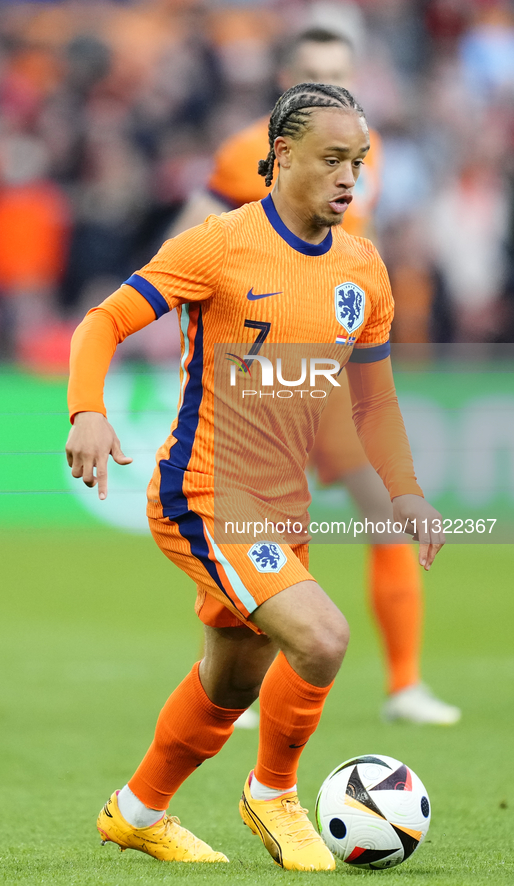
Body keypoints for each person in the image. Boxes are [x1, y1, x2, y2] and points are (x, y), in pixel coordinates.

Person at [66, 82, 444, 870]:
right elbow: (102, 321)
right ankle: (273, 794)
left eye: (361, 163)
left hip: (281, 505)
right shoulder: (218, 246)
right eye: (333, 160)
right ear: (280, 160)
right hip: (204, 494)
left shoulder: (362, 270)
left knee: (230, 681)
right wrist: (86, 412)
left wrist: (403, 489)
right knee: (323, 638)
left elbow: (372, 400)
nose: (352, 179)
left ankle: (137, 811)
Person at [168, 26, 460, 727]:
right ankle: (232, 674)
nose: (328, 83)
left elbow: (365, 249)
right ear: (284, 82)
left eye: (339, 73)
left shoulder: (370, 151)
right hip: (262, 384)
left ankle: (403, 684)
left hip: (333, 380)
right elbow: (188, 240)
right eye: (311, 73)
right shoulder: (250, 154)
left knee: (386, 514)